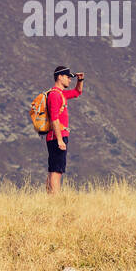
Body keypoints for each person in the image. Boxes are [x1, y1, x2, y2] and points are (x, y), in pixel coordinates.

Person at [46, 66, 85, 194]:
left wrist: (80, 80)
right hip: (57, 136)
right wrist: (60, 140)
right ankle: (55, 201)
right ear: (59, 77)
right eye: (67, 77)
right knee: (56, 171)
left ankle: (50, 199)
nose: (69, 79)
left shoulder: (61, 94)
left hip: (58, 136)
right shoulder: (55, 95)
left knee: (54, 169)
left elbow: (77, 92)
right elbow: (54, 119)